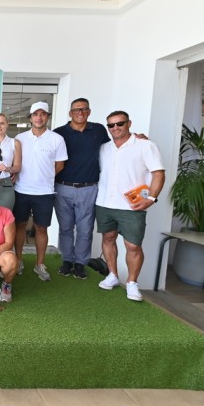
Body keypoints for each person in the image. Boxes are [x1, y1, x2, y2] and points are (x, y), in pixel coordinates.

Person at [96, 111, 165, 302]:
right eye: (111, 125)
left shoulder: (145, 145)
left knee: (133, 245)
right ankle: (112, 275)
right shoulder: (104, 148)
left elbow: (158, 173)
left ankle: (132, 283)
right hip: (104, 202)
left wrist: (151, 198)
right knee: (108, 238)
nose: (115, 128)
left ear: (129, 123)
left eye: (120, 124)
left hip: (132, 205)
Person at [53, 98, 110, 279]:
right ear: (70, 113)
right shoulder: (59, 133)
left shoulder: (98, 130)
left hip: (88, 188)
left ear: (89, 112)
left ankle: (80, 263)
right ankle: (67, 260)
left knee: (85, 229)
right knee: (66, 228)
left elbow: (114, 147)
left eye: (84, 109)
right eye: (76, 110)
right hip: (63, 187)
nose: (80, 112)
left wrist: (137, 138)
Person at [13, 101, 68, 282]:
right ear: (30, 118)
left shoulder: (56, 139)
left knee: (41, 228)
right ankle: (19, 260)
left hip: (45, 192)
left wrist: (44, 176)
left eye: (42, 114)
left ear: (47, 117)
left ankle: (40, 264)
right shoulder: (20, 138)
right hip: (21, 190)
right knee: (19, 226)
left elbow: (60, 164)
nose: (39, 117)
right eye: (35, 114)